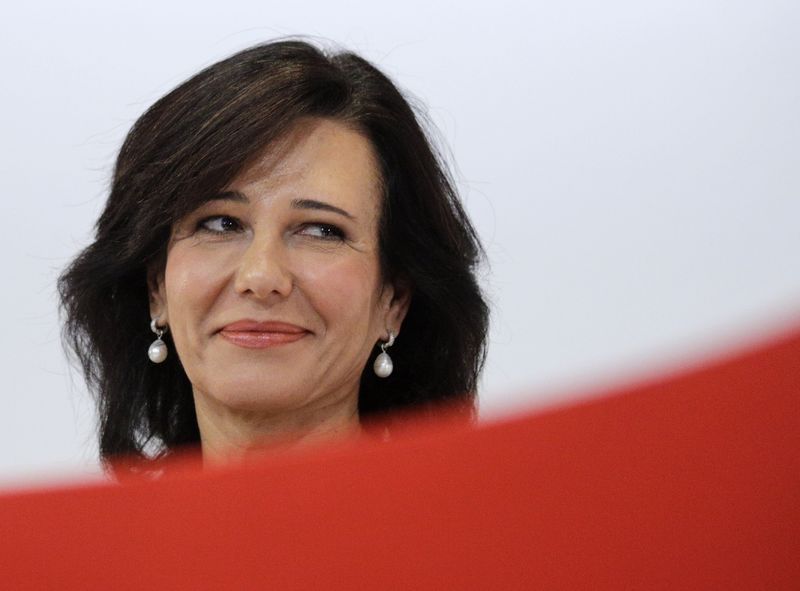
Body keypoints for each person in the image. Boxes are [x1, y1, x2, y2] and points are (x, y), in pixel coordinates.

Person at [59, 39, 489, 474]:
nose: (261, 276)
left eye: (322, 231)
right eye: (220, 224)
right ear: (157, 288)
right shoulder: (72, 541)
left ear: (393, 301)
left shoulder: (486, 539)